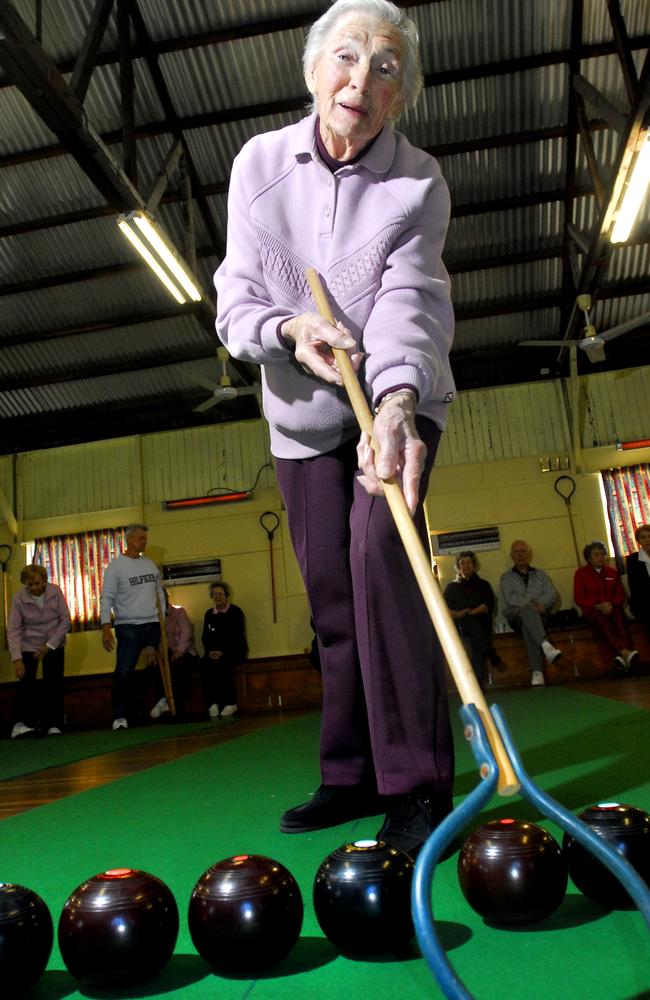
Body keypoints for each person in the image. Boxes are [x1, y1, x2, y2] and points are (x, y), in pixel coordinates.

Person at [215, 0, 455, 857]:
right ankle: (348, 774)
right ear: (314, 70)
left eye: (385, 67)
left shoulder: (418, 180)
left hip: (393, 392)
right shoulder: (259, 165)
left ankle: (420, 781)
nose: (361, 78)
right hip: (297, 405)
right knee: (330, 597)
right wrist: (289, 331)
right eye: (346, 58)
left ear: (400, 95)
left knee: (382, 561)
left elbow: (410, 303)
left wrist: (394, 403)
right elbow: (236, 300)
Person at [100, 524, 164, 730]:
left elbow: (159, 593)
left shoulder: (150, 565)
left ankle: (162, 707)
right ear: (129, 540)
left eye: (145, 538)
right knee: (124, 671)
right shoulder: (116, 567)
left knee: (157, 667)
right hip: (128, 625)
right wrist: (105, 626)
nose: (144, 542)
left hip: (152, 623)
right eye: (140, 538)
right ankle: (119, 716)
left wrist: (163, 616)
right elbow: (107, 597)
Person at [7, 564, 71, 738]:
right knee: (25, 683)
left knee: (54, 682)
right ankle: (22, 724)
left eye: (37, 583)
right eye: (30, 585)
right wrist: (17, 659)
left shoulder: (55, 592)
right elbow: (13, 629)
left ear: (44, 579)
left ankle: (54, 723)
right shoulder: (19, 598)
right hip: (29, 644)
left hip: (54, 642)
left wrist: (49, 646)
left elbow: (65, 621)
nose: (34, 588)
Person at [499, 540, 562, 687]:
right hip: (516, 616)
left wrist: (542, 605)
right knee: (527, 612)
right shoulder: (506, 577)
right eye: (516, 552)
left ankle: (537, 671)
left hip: (541, 616)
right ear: (512, 556)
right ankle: (545, 645)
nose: (520, 555)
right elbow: (511, 598)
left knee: (529, 626)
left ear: (528, 554)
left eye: (523, 551)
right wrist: (533, 605)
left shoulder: (540, 575)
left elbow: (552, 595)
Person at [574, 541, 639, 673]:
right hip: (592, 610)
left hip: (612, 607)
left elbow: (620, 594)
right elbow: (579, 597)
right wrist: (598, 606)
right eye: (596, 555)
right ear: (589, 558)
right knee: (603, 623)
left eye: (602, 554)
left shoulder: (612, 572)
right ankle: (625, 652)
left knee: (620, 619)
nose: (600, 557)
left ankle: (622, 657)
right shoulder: (581, 573)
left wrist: (610, 604)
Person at [443, 551, 502, 687]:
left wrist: (472, 612)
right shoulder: (451, 587)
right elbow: (444, 610)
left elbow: (487, 605)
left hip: (481, 622)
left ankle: (477, 681)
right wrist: (460, 614)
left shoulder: (484, 585)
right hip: (459, 625)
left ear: (474, 565)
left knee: (474, 627)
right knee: (472, 627)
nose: (465, 565)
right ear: (457, 566)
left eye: (469, 562)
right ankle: (488, 660)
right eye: (462, 563)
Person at [146, 591, 199, 721]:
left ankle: (173, 704)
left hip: (184, 652)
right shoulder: (152, 617)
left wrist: (180, 650)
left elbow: (186, 633)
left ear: (166, 598)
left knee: (178, 666)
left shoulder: (179, 612)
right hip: (164, 654)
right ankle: (162, 700)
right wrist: (152, 650)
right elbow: (150, 636)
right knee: (152, 668)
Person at [199, 581, 247, 719]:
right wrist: (210, 651)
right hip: (213, 652)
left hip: (233, 650)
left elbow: (236, 636)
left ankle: (230, 703)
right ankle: (212, 703)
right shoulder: (209, 614)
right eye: (214, 594)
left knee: (222, 663)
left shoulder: (236, 612)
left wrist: (222, 651)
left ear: (227, 596)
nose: (217, 597)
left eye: (220, 594)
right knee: (204, 665)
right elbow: (205, 636)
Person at [626, 523, 650, 639]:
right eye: (643, 537)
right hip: (643, 601)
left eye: (649, 536)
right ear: (638, 541)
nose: (647, 540)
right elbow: (635, 588)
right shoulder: (633, 559)